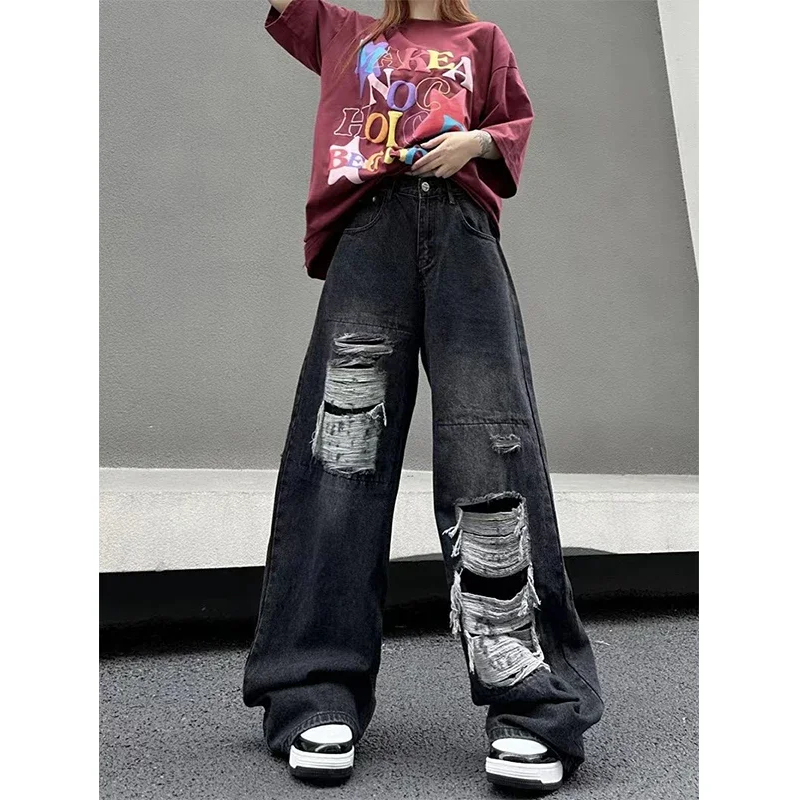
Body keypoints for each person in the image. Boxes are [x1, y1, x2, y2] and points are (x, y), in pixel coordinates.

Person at [242, 0, 603, 792]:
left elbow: (510, 126)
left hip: (465, 238)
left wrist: (476, 141)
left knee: (491, 454)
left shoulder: (484, 41)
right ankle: (313, 689)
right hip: (369, 234)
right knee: (342, 455)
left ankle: (532, 704)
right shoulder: (344, 32)